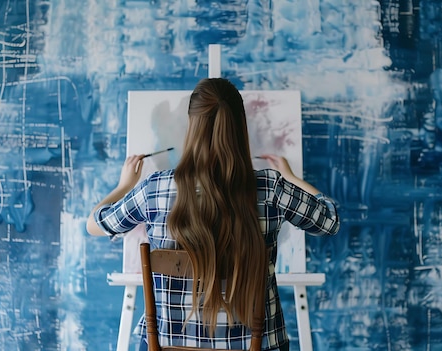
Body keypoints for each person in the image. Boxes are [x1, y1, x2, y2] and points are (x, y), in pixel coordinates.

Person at [86, 78, 340, 351]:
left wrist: (124, 186)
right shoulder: (271, 188)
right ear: (240, 126)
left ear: (191, 126)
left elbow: (94, 224)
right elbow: (330, 220)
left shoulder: (154, 189)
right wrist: (292, 178)